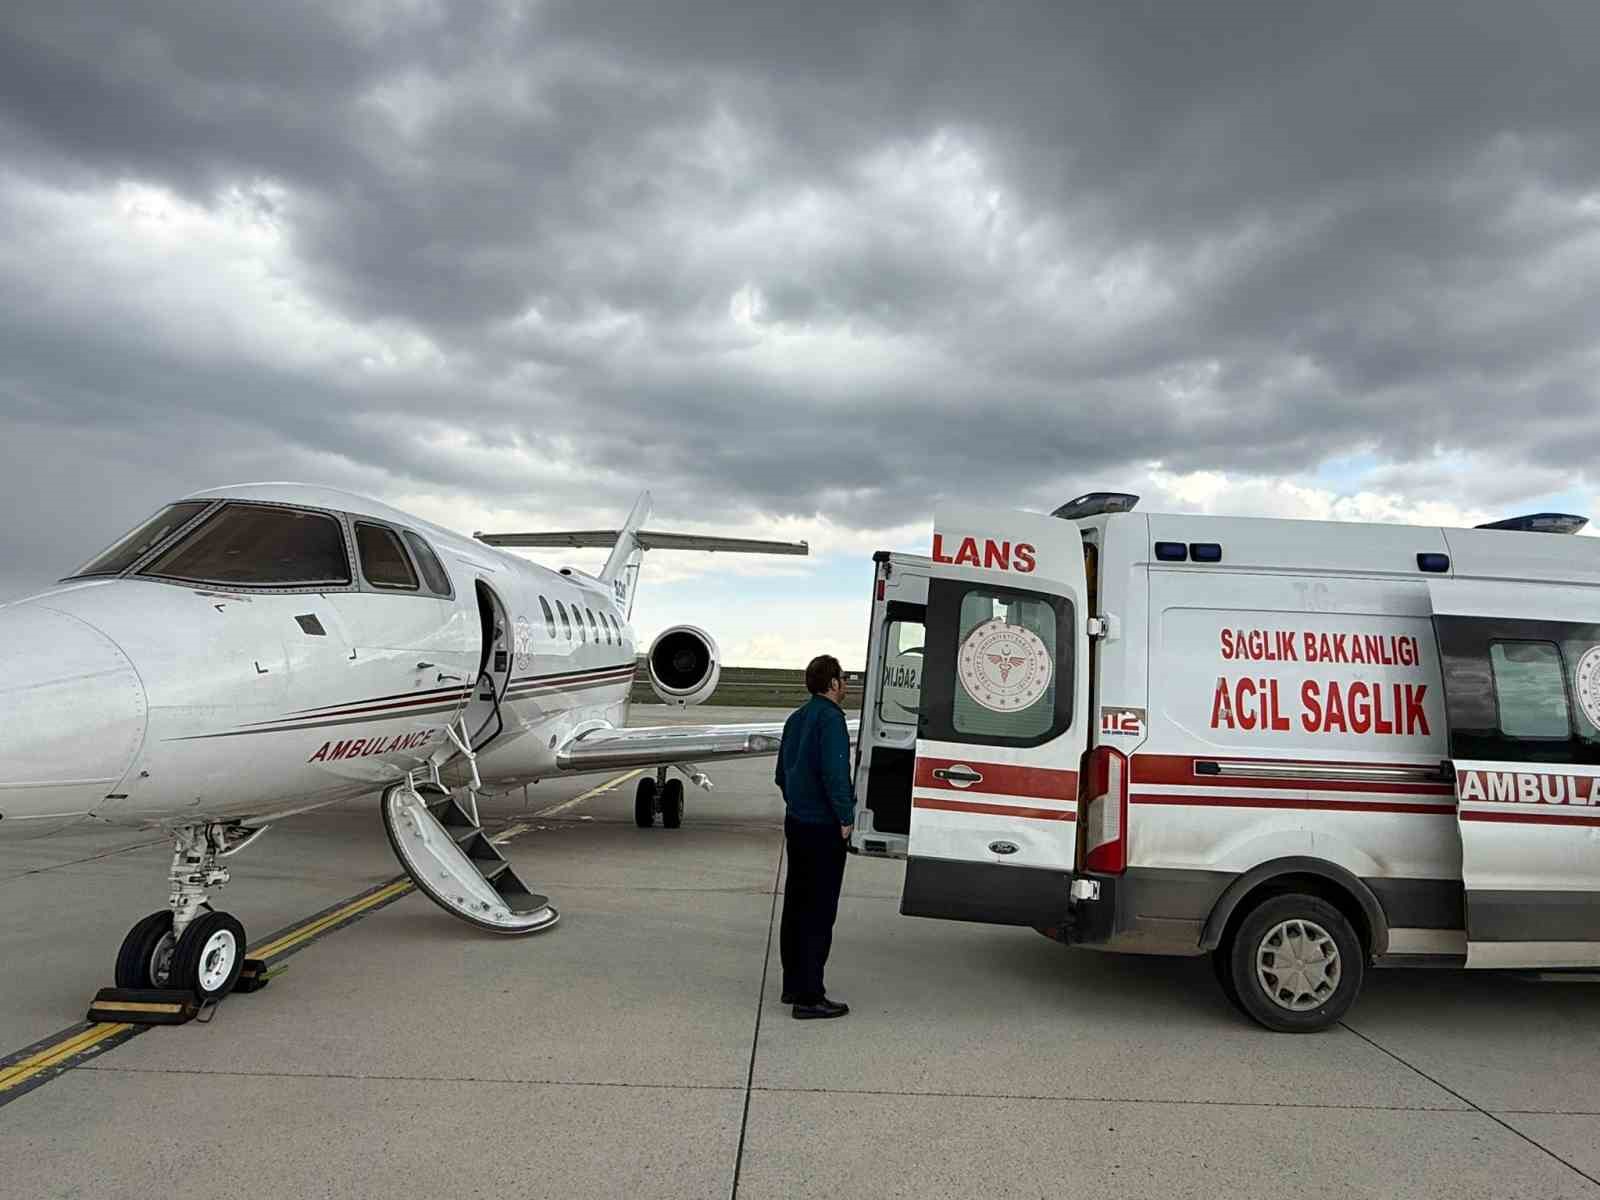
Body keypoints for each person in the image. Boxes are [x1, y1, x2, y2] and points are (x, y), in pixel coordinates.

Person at [773, 654, 855, 1020]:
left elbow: (781, 774)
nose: (847, 684)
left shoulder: (796, 718)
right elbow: (836, 773)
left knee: (796, 905)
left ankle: (793, 985)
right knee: (819, 911)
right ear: (833, 683)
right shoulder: (832, 720)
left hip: (797, 822)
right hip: (823, 827)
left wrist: (798, 802)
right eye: (844, 678)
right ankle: (810, 996)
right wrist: (845, 817)